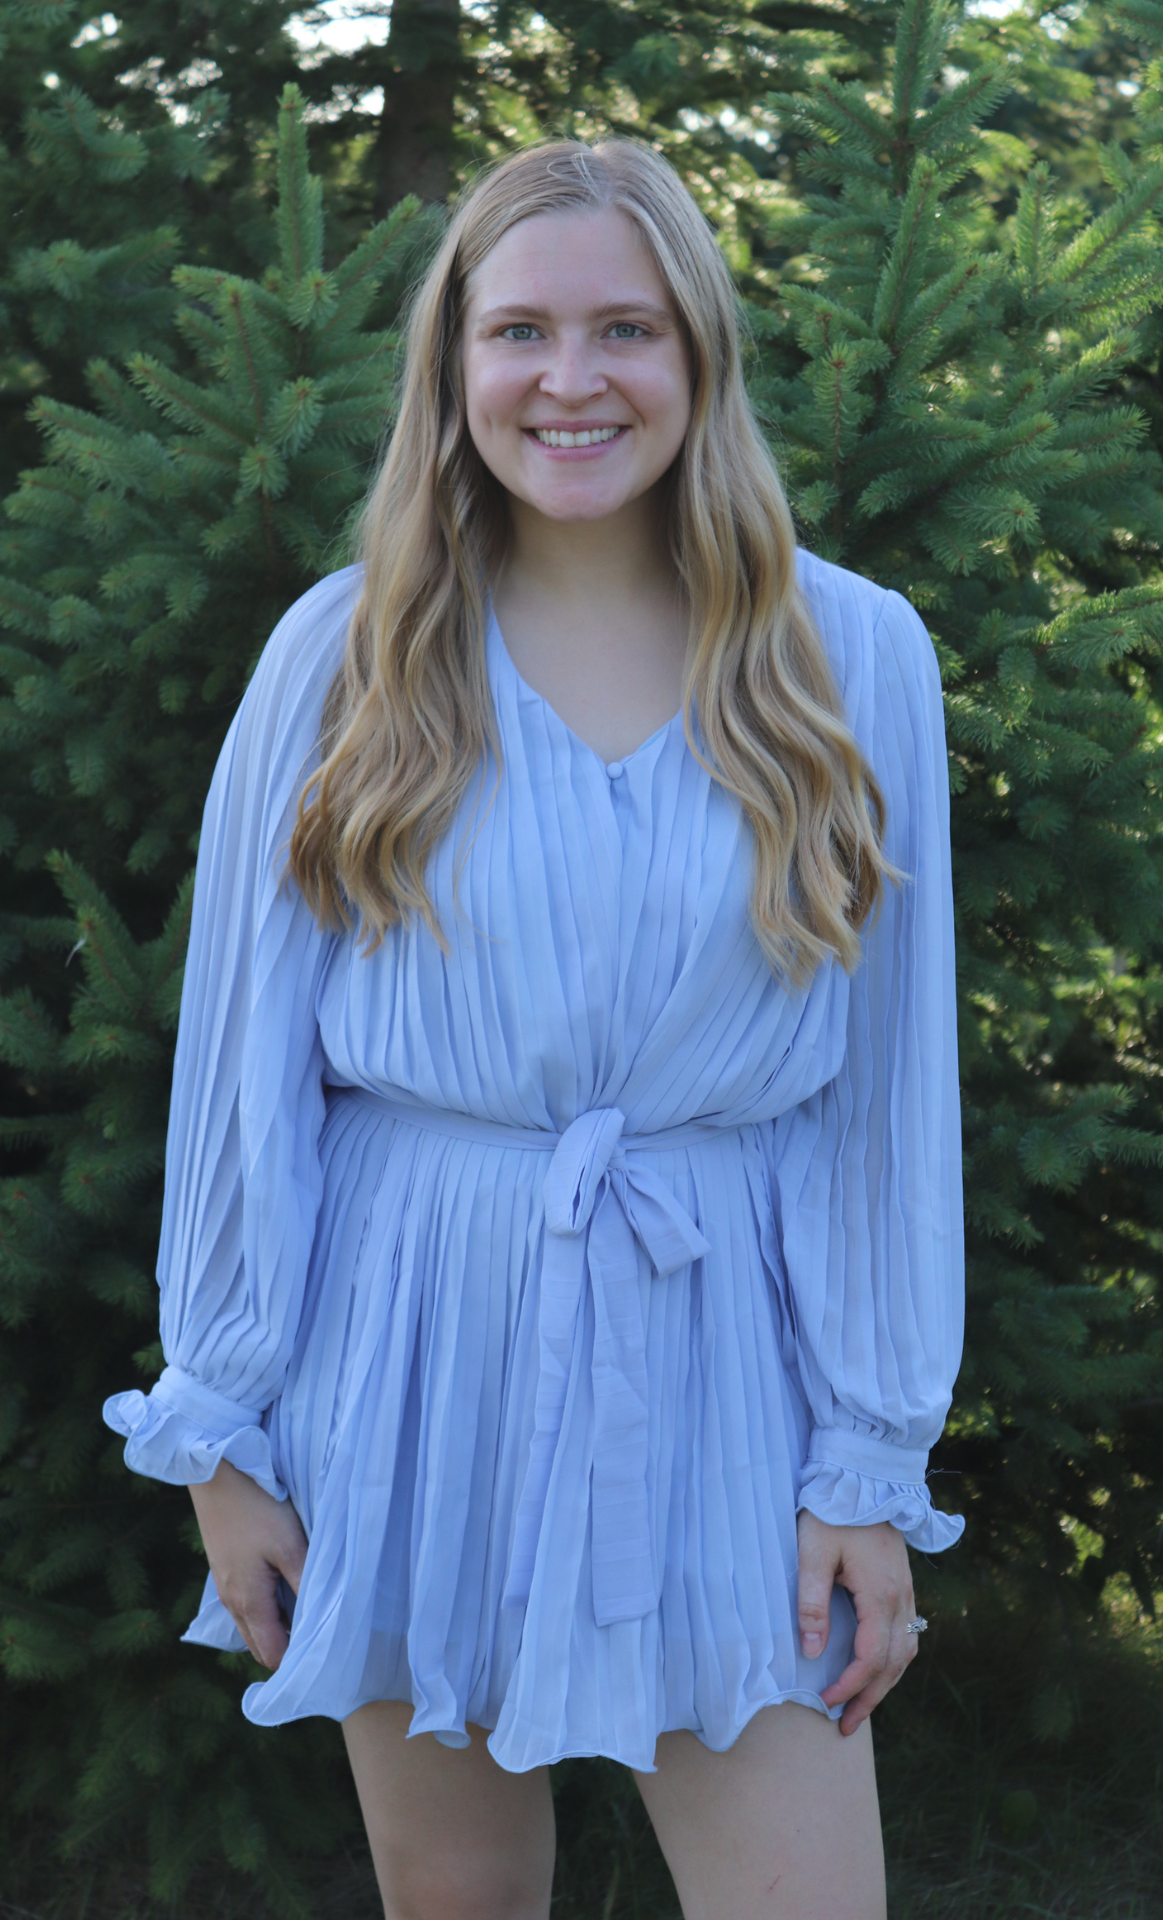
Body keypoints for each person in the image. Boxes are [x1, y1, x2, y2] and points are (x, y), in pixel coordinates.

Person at [104, 138, 965, 1920]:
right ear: (453, 370)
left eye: (625, 330)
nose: (571, 381)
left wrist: (869, 1469)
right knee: (462, 1903)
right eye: (520, 332)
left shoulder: (851, 659)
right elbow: (246, 1068)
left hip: (735, 1342)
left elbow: (886, 1096)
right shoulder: (345, 659)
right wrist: (226, 1429)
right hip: (414, 1335)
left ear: (699, 358)